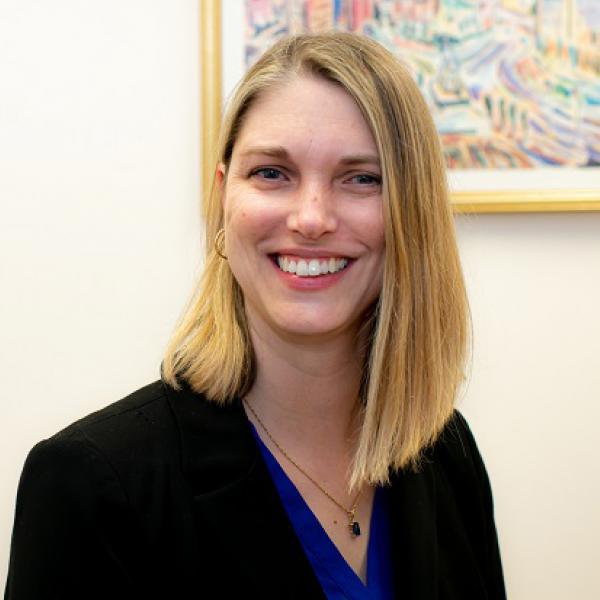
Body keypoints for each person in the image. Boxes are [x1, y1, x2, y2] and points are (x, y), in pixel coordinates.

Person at [5, 33, 505, 599]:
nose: (311, 217)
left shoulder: (444, 452)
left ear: (413, 217)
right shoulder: (89, 484)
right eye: (272, 172)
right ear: (223, 200)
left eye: (361, 178)